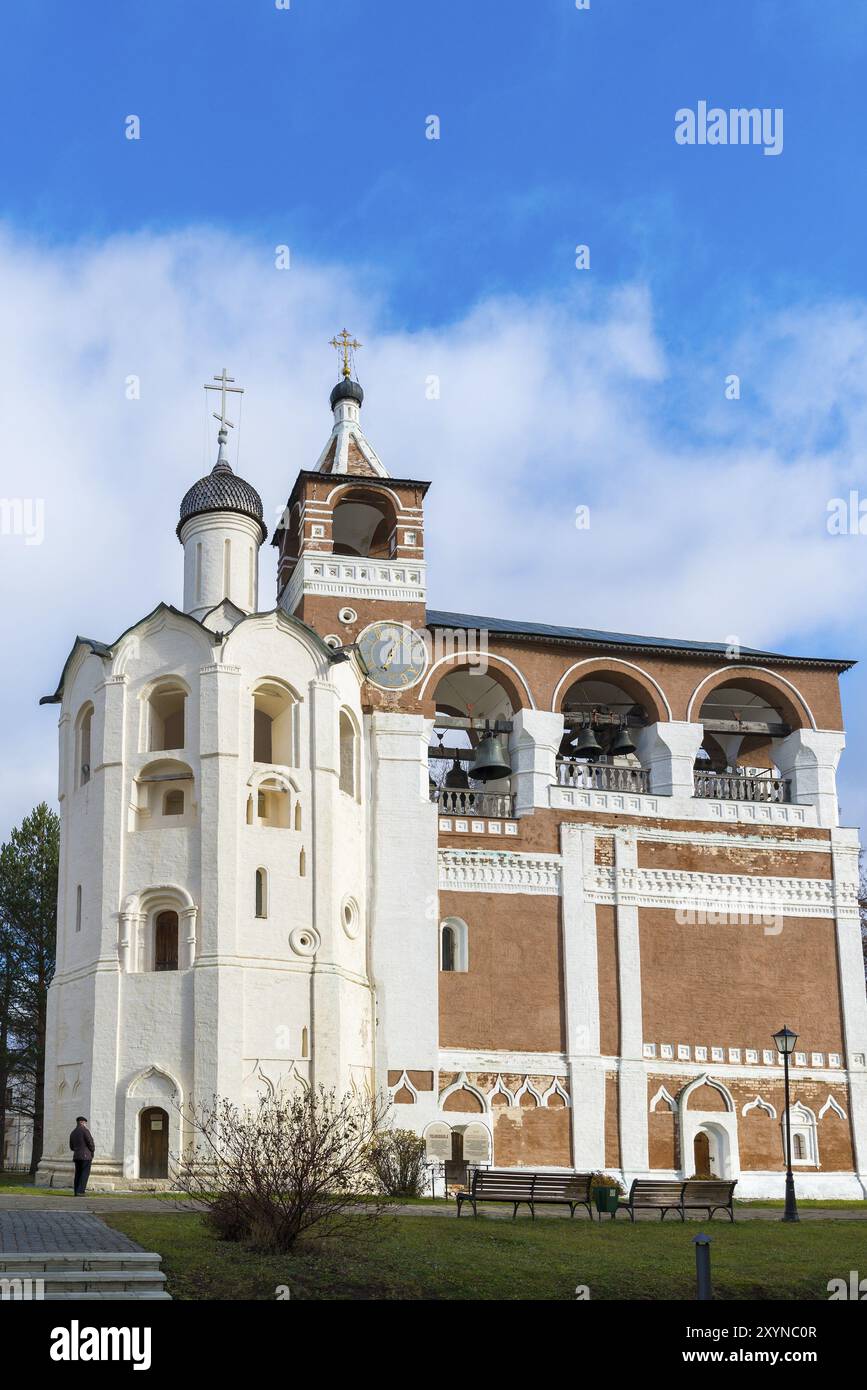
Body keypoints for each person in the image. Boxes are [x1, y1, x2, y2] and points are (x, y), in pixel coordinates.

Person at [69, 1116, 95, 1196]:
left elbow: (71, 1147)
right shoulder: (85, 1130)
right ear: (82, 1122)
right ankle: (81, 1191)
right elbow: (90, 1142)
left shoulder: (73, 1132)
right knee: (84, 1174)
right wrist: (92, 1150)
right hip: (86, 1156)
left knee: (78, 1174)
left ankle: (76, 1191)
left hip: (77, 1156)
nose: (85, 1124)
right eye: (84, 1122)